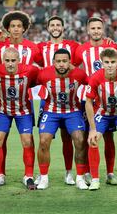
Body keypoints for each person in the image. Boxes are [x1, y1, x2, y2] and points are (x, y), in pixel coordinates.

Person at [72, 17, 117, 185]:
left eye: (99, 28)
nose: (96, 31)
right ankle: (87, 172)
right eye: (93, 28)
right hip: (88, 98)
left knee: (108, 136)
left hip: (108, 98)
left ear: (103, 29)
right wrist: (85, 80)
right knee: (87, 135)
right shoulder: (81, 49)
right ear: (87, 30)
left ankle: (110, 173)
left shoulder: (111, 46)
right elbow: (73, 66)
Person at [0, 11, 40, 182]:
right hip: (2, 102)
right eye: (12, 26)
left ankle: (28, 175)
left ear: (24, 29)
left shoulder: (32, 47)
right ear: (8, 28)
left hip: (24, 102)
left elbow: (43, 68)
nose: (15, 29)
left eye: (19, 26)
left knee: (27, 139)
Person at [85, 48, 117, 191]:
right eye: (106, 62)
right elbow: (88, 103)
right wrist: (92, 129)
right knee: (93, 140)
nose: (109, 65)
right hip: (102, 114)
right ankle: (95, 180)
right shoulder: (95, 77)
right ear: (101, 63)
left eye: (112, 62)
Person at [0, 47, 39, 190]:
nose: (10, 64)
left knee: (27, 140)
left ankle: (28, 176)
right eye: (7, 60)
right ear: (3, 61)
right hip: (3, 111)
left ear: (19, 61)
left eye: (13, 61)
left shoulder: (30, 70)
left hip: (24, 111)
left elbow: (45, 76)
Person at [36, 48, 89, 190]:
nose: (61, 64)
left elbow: (93, 83)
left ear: (70, 62)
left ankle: (79, 177)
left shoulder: (79, 74)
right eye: (58, 61)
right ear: (53, 62)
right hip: (51, 111)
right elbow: (28, 82)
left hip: (72, 111)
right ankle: (43, 177)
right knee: (43, 141)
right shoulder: (44, 74)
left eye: (64, 61)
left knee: (79, 139)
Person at [36, 15, 79, 185]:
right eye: (52, 25)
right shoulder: (41, 47)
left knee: (67, 137)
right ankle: (42, 174)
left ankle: (69, 173)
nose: (55, 27)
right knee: (44, 138)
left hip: (69, 97)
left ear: (63, 27)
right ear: (48, 28)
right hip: (47, 97)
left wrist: (108, 41)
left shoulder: (73, 46)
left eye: (58, 25)